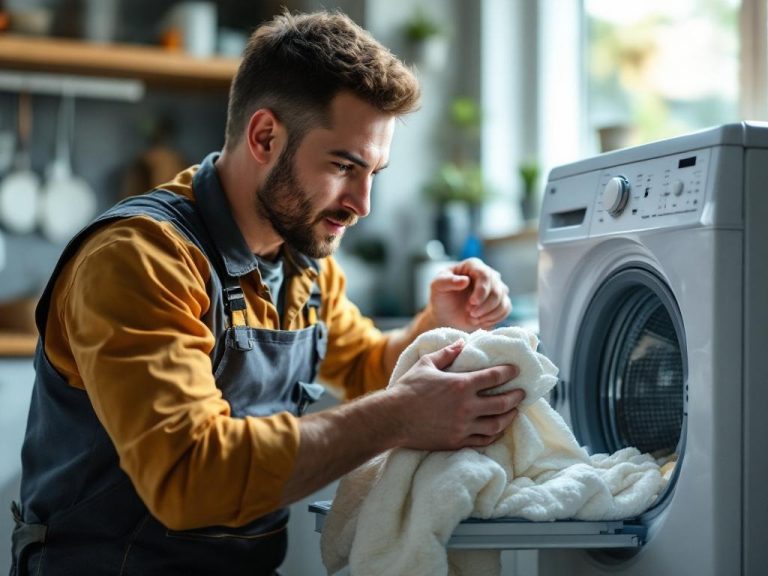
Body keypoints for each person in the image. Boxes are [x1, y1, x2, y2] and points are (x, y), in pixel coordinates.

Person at [11, 10, 524, 576]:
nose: (361, 204)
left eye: (373, 172)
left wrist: (436, 320)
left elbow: (368, 364)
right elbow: (191, 477)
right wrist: (400, 416)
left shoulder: (303, 261)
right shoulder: (139, 258)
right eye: (343, 165)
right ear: (264, 137)